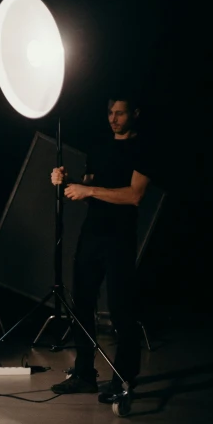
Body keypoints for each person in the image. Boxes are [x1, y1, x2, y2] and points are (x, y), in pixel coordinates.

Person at [50, 93, 153, 403]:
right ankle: (83, 375)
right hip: (91, 234)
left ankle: (124, 379)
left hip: (120, 237)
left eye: (120, 113)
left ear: (134, 113)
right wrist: (67, 181)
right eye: (110, 112)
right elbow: (89, 182)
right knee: (82, 304)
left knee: (122, 309)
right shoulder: (99, 146)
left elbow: (134, 195)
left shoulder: (143, 149)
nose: (113, 118)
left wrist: (89, 189)